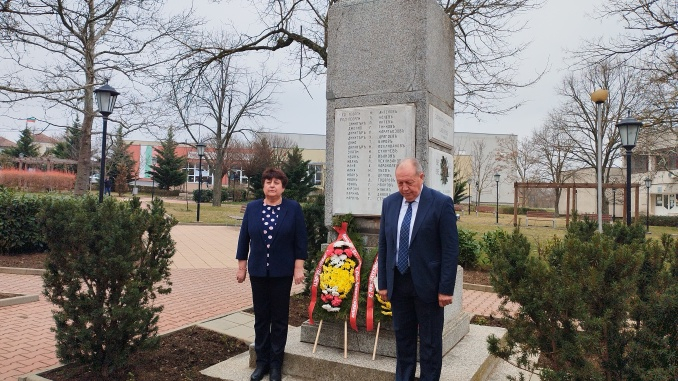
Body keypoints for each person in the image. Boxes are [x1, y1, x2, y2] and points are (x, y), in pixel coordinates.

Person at [377, 157, 459, 381]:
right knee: (403, 340)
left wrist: (446, 288)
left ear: (421, 177)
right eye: (400, 183)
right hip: (399, 282)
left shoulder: (441, 203)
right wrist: (383, 283)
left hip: (429, 286)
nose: (404, 188)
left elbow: (450, 249)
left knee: (430, 344)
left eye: (409, 183)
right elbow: (384, 245)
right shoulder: (390, 203)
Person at [236, 168, 308, 381]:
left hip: (282, 272)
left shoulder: (293, 208)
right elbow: (243, 240)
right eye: (268, 181)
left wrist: (298, 267)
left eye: (277, 182)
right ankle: (261, 363)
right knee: (261, 318)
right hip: (258, 271)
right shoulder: (253, 208)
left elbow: (300, 240)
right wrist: (242, 267)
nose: (272, 185)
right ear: (263, 185)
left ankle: (276, 364)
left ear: (283, 186)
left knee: (278, 319)